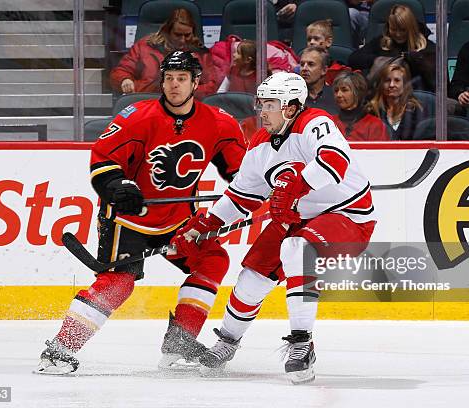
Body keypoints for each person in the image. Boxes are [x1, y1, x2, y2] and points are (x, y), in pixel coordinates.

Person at [36, 52, 247, 375]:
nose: (174, 85)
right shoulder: (137, 116)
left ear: (195, 83)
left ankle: (180, 342)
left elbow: (242, 174)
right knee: (119, 282)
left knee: (212, 260)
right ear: (162, 81)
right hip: (126, 219)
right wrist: (117, 185)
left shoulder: (219, 123)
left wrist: (265, 189)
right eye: (169, 78)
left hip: (178, 219)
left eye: (181, 79)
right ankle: (60, 349)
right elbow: (103, 160)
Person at [170, 72, 377, 384]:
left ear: (291, 107)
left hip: (347, 215)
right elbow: (240, 197)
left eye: (270, 104)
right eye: (261, 103)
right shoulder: (260, 145)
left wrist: (296, 187)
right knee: (251, 279)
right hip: (295, 218)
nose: (261, 110)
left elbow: (335, 161)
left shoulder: (315, 123)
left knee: (297, 249)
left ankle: (302, 344)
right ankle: (227, 342)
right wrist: (202, 226)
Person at [110, 8, 217, 98]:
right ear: (167, 31)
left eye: (187, 35)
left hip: (186, 107)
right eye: (178, 35)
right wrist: (125, 80)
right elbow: (120, 71)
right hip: (148, 104)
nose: (182, 40)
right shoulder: (144, 46)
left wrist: (185, 90)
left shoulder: (201, 54)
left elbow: (212, 86)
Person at [347, 4, 436, 92]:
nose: (398, 34)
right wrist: (379, 60)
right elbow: (353, 59)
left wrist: (413, 60)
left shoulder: (426, 47)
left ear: (411, 28)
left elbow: (436, 78)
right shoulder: (382, 42)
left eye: (402, 30)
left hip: (415, 96)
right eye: (393, 29)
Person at [366, 61, 426, 140]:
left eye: (397, 80)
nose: (391, 85)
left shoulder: (416, 110)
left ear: (405, 84)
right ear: (381, 84)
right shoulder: (371, 110)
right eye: (387, 80)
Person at [332, 71, 389, 141]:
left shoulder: (375, 124)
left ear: (358, 93)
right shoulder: (329, 123)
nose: (338, 95)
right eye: (336, 90)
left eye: (344, 90)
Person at [304, 19, 355, 86]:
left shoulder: (338, 71)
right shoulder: (302, 68)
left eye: (316, 39)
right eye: (309, 39)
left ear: (328, 42)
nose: (311, 42)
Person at [299, 46, 338, 114]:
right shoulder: (293, 97)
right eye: (302, 64)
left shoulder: (337, 97)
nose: (304, 68)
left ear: (324, 70)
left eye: (311, 64)